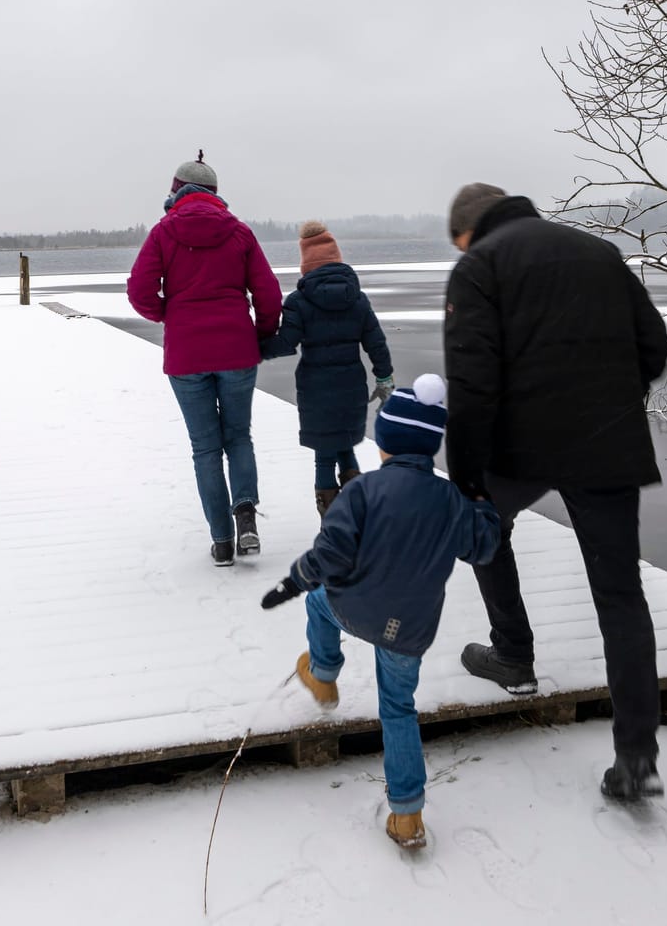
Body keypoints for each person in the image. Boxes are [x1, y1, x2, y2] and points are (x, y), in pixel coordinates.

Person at [440, 181, 667, 801]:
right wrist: (611, 399)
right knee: (621, 594)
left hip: (520, 447)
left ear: (467, 232)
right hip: (607, 442)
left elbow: (471, 382)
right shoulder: (598, 251)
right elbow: (655, 347)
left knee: (483, 530)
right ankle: (637, 757)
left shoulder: (479, 267)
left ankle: (513, 655)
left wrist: (466, 476)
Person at [260, 374, 501, 850]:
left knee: (316, 602)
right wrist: (479, 499)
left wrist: (293, 580)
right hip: (407, 631)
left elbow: (328, 555)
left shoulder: (363, 491)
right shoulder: (451, 501)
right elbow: (485, 547)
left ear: (384, 444)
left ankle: (325, 673)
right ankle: (407, 818)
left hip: (353, 609)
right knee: (397, 709)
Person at [127, 153, 282, 566]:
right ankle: (245, 515)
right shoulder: (239, 233)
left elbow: (139, 292)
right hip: (236, 351)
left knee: (205, 449)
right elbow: (268, 294)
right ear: (215, 194)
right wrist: (261, 335)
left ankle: (221, 542)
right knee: (239, 437)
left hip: (187, 356)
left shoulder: (163, 233)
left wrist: (172, 315)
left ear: (176, 190)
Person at [259, 220, 395, 516]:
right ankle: (358, 515)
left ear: (306, 262)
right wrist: (384, 379)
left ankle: (332, 526)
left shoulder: (299, 302)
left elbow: (285, 343)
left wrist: (255, 349)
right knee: (345, 446)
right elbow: (377, 343)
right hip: (352, 387)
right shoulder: (357, 299)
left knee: (324, 455)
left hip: (316, 389)